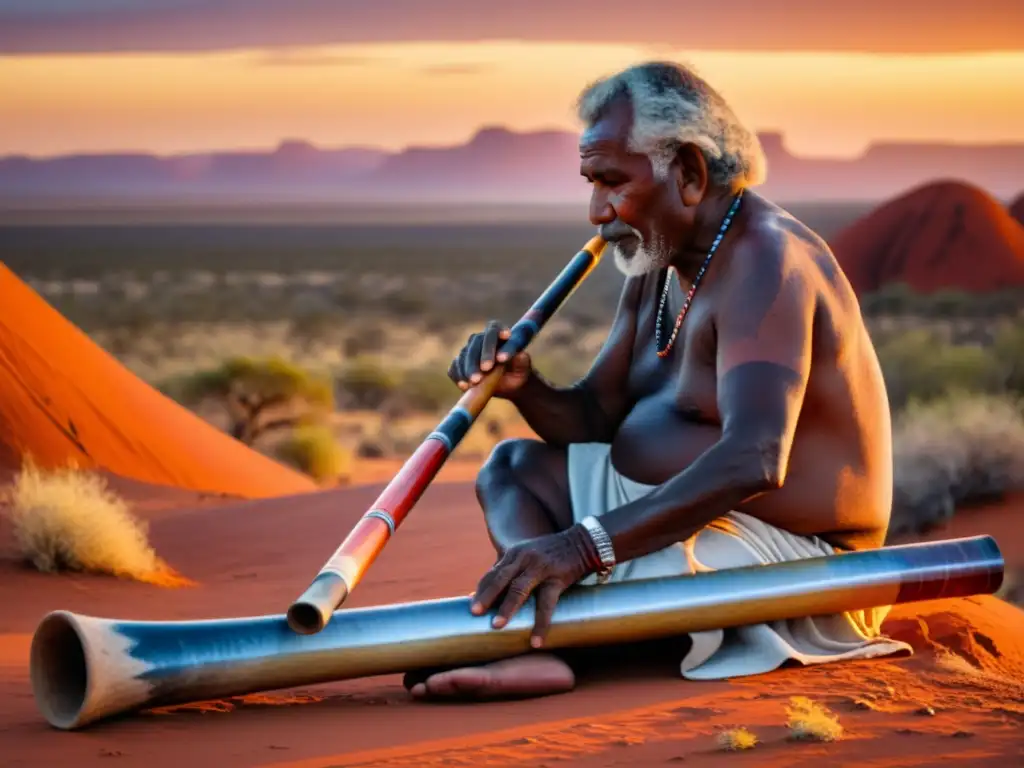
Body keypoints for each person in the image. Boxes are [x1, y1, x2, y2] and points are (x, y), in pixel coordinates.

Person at [404, 61, 911, 701]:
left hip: (792, 553)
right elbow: (593, 419)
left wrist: (582, 548)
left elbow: (756, 458)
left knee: (657, 567)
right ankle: (550, 632)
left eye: (613, 182)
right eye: (591, 183)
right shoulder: (661, 260)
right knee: (511, 469)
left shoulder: (767, 261)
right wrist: (524, 386)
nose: (596, 211)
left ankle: (557, 644)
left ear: (690, 174)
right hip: (679, 517)